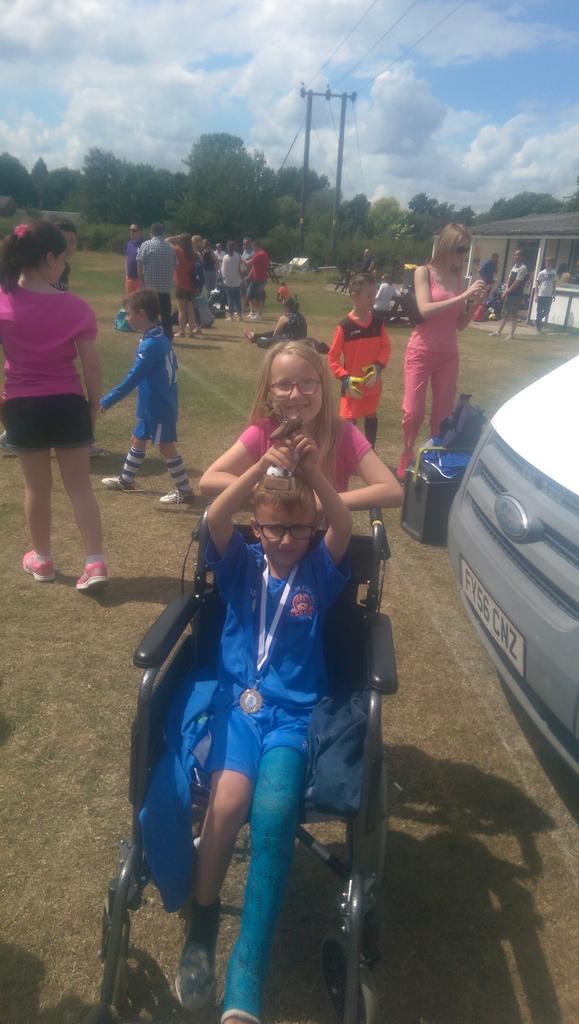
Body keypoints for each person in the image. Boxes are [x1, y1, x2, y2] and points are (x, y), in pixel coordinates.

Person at [172, 431, 352, 1021]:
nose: (284, 540)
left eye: (297, 530)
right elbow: (214, 516)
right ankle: (201, 929)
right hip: (236, 708)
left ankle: (244, 976)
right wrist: (260, 471)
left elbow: (343, 522)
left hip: (292, 716)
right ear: (257, 525)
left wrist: (314, 473)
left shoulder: (319, 571)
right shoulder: (242, 564)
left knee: (273, 816)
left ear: (311, 528)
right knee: (225, 808)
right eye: (272, 528)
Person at [0, 221, 108, 590]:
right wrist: (93, 405)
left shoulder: (3, 302)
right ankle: (94, 563)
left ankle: (42, 559)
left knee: (37, 488)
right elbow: (90, 365)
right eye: (63, 258)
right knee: (80, 488)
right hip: (67, 402)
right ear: (49, 258)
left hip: (22, 405)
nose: (64, 264)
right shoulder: (75, 306)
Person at [199, 339, 403, 512]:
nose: (295, 394)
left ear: (323, 387)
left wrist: (316, 503)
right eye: (283, 385)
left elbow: (392, 491)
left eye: (308, 383)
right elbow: (209, 480)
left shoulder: (341, 432)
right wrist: (269, 490)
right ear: (270, 393)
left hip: (326, 547)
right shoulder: (263, 431)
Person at [397, 222, 488, 481]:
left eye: (466, 250)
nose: (462, 255)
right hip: (421, 350)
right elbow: (425, 310)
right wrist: (463, 296)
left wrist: (474, 303)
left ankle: (433, 459)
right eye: (460, 249)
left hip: (448, 354)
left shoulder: (458, 278)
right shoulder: (423, 272)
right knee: (412, 413)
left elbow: (459, 324)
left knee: (442, 415)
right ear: (447, 245)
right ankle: (407, 450)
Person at [100, 289, 194, 505]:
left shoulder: (152, 344)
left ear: (142, 314)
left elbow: (133, 377)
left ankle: (185, 491)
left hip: (158, 405)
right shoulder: (158, 335)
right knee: (138, 439)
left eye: (129, 314)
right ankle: (126, 480)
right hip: (150, 403)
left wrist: (107, 400)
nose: (126, 318)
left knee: (165, 447)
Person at [328, 273, 391, 449]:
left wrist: (378, 367)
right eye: (369, 296)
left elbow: (386, 348)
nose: (373, 299)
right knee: (348, 422)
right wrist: (344, 378)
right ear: (354, 296)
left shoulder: (378, 324)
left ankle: (370, 451)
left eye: (374, 295)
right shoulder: (345, 326)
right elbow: (332, 357)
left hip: (372, 385)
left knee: (371, 415)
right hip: (352, 388)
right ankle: (349, 455)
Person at [137, 223, 176, 340]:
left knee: (149, 316)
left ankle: (149, 336)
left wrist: (141, 283)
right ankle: (168, 336)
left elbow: (139, 264)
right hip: (165, 288)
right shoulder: (170, 248)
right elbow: (175, 266)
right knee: (166, 316)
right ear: (163, 233)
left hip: (150, 288)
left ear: (151, 232)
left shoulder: (146, 245)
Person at [489, 249, 528, 341]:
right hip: (509, 293)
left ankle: (511, 334)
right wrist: (506, 289)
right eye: (515, 255)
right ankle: (498, 332)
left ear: (522, 257)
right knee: (505, 314)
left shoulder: (523, 268)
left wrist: (508, 291)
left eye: (518, 255)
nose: (515, 257)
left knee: (513, 314)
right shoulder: (514, 266)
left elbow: (517, 282)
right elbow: (509, 279)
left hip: (516, 295)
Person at [166, 233, 196, 337]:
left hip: (180, 283)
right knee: (191, 310)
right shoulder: (193, 254)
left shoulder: (178, 250)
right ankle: (192, 331)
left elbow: (166, 241)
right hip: (191, 284)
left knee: (181, 311)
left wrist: (176, 237)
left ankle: (182, 331)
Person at [245, 241, 269, 320]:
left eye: (253, 247)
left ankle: (258, 313)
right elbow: (254, 266)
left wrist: (239, 260)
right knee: (259, 296)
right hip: (262, 278)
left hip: (258, 278)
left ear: (257, 246)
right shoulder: (264, 253)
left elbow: (248, 263)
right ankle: (257, 313)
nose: (253, 249)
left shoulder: (258, 255)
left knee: (251, 294)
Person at [53, 218, 78, 292]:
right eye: (63, 240)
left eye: (72, 241)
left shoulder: (65, 268)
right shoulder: (43, 268)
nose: (68, 246)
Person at [221, 240, 244, 320]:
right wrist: (241, 278)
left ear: (227, 247)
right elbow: (241, 268)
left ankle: (231, 316)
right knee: (237, 299)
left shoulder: (225, 257)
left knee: (230, 299)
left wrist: (224, 279)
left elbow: (223, 270)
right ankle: (240, 316)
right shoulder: (238, 256)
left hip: (229, 281)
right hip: (237, 281)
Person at [535, 257, 557, 333]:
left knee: (547, 310)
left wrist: (554, 294)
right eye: (546, 263)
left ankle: (537, 320)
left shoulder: (554, 273)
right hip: (541, 294)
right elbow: (537, 284)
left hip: (549, 295)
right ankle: (539, 329)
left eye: (549, 263)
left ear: (552, 264)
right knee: (539, 311)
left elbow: (554, 284)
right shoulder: (541, 273)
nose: (547, 265)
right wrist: (536, 295)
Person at [125, 223, 143, 294]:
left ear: (140, 231)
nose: (131, 232)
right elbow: (127, 258)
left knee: (140, 301)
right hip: (129, 278)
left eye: (134, 230)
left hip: (139, 279)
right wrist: (126, 274)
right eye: (130, 230)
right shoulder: (129, 243)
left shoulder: (144, 244)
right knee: (130, 301)